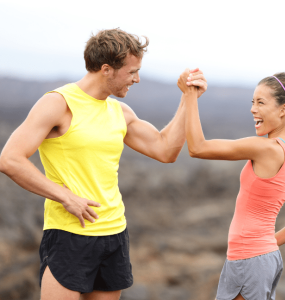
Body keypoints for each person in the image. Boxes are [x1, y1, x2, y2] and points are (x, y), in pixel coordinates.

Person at [0, 28, 207, 300]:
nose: (137, 79)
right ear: (107, 69)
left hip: (114, 234)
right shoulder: (58, 104)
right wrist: (65, 197)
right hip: (69, 234)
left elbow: (165, 150)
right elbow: (9, 159)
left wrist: (188, 98)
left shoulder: (119, 111)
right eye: (132, 72)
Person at [178, 71, 285, 300]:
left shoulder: (266, 148)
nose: (253, 109)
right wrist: (269, 243)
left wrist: (190, 96)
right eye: (252, 102)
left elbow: (197, 147)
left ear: (283, 110)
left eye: (261, 103)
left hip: (248, 260)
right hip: (265, 258)